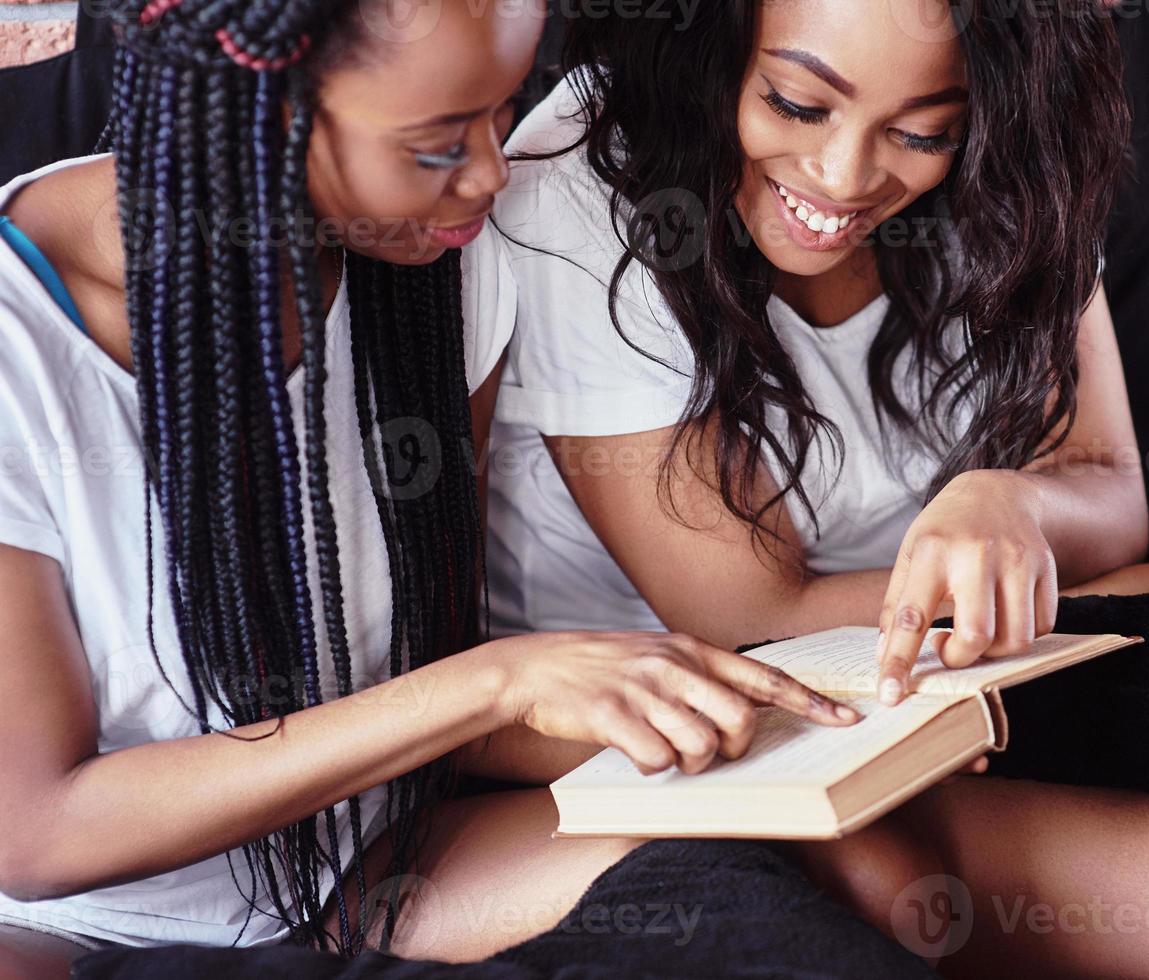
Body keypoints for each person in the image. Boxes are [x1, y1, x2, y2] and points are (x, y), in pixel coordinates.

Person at [487, 0, 1149, 974]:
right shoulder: (592, 173)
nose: (843, 177)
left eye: (920, 132)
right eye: (795, 103)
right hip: (738, 710)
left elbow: (1104, 483)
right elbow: (755, 616)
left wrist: (1008, 501)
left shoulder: (1020, 153)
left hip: (957, 673)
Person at [0, 0, 873, 969]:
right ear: (268, 111)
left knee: (793, 918)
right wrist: (495, 683)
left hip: (370, 861)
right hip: (77, 925)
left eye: (501, 115)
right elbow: (35, 834)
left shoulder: (438, 263)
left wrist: (764, 720)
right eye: (436, 145)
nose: (493, 175)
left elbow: (431, 671)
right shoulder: (18, 350)